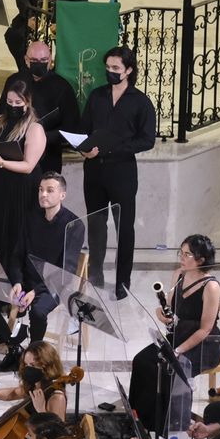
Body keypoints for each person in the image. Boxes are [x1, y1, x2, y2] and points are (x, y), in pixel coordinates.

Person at [0, 172, 80, 369]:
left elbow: (66, 271)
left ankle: (34, 357)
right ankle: (13, 347)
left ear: (62, 195)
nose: (43, 195)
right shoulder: (30, 218)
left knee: (39, 313)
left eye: (50, 190)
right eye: (41, 190)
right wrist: (17, 282)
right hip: (24, 280)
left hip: (53, 284)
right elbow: (17, 255)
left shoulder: (74, 225)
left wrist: (34, 292)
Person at [80, 46, 157, 297]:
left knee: (124, 228)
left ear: (128, 71)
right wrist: (84, 149)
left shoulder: (140, 102)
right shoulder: (97, 96)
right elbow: (84, 130)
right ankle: (96, 274)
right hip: (94, 170)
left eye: (116, 68)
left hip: (122, 172)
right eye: (108, 67)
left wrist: (113, 149)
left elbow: (147, 140)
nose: (111, 72)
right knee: (96, 225)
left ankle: (123, 281)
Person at [129, 234, 220, 435]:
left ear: (201, 259)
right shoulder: (179, 274)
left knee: (164, 370)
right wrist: (161, 315)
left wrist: (179, 350)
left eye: (187, 254)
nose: (181, 257)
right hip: (178, 336)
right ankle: (138, 418)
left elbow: (206, 329)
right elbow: (168, 308)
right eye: (180, 252)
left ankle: (160, 425)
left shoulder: (211, 287)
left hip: (204, 345)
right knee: (142, 360)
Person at [0, 74, 48, 277]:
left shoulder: (34, 127)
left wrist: (1, 162)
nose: (13, 106)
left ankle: (15, 279)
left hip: (20, 186)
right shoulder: (0, 120)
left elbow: (28, 166)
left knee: (15, 232)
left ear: (27, 102)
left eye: (18, 102)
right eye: (9, 102)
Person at [21, 41, 82, 177]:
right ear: (26, 60)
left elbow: (71, 127)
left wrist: (40, 137)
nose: (39, 63)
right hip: (17, 154)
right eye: (34, 60)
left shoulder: (62, 87)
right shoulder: (15, 81)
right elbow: (1, 116)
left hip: (48, 156)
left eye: (43, 60)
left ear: (50, 61)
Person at [0, 341, 71, 420]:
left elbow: (58, 437)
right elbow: (15, 393)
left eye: (32, 365)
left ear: (46, 365)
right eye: (26, 364)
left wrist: (41, 410)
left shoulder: (57, 397)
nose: (28, 369)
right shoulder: (37, 383)